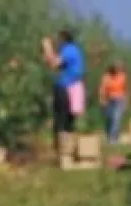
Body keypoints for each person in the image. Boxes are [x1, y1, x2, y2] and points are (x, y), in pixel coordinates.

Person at [41, 28, 85, 158]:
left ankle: (61, 147)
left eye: (58, 39)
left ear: (63, 38)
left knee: (61, 117)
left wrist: (47, 49)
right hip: (71, 85)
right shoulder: (74, 50)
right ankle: (65, 147)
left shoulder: (68, 50)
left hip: (65, 86)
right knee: (67, 117)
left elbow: (54, 64)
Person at [98, 62, 129, 144]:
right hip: (108, 100)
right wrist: (102, 99)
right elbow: (102, 88)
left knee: (116, 119)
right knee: (109, 119)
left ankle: (113, 138)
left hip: (119, 100)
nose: (117, 70)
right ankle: (109, 136)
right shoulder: (106, 77)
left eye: (119, 69)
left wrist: (126, 102)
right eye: (116, 68)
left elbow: (125, 90)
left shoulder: (123, 76)